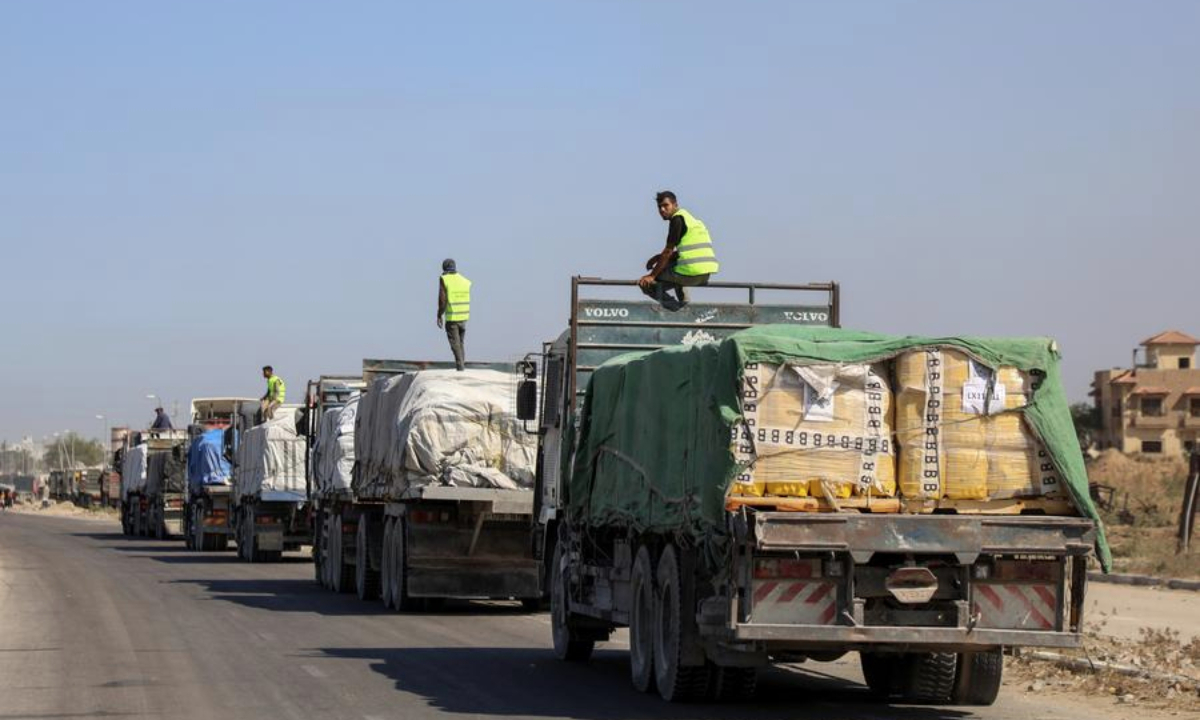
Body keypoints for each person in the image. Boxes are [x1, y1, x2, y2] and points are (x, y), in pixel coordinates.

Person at [638, 191, 720, 310]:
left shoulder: (677, 220)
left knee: (647, 284)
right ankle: (684, 303)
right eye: (659, 207)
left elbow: (668, 252)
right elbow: (688, 251)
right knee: (672, 265)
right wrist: (657, 257)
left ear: (675, 205)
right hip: (705, 274)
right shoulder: (692, 221)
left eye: (666, 205)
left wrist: (651, 276)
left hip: (691, 272)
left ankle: (679, 309)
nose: (662, 210)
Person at [436, 259, 471, 371]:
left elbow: (442, 300)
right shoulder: (464, 280)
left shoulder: (444, 279)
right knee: (460, 344)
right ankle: (462, 367)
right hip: (464, 317)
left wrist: (439, 314)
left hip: (452, 318)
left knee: (455, 346)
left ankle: (461, 369)